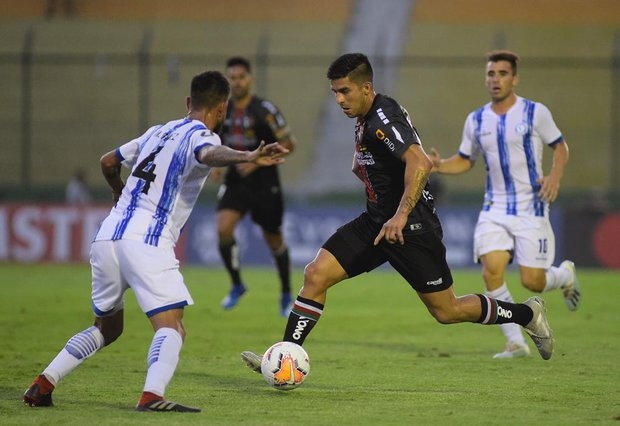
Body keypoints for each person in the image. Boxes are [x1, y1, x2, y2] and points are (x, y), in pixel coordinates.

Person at [240, 53, 555, 374]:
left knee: (447, 310)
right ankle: (284, 358)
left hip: (412, 227)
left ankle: (527, 315)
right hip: (376, 222)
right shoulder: (365, 119)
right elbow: (360, 166)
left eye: (345, 91)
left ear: (366, 88)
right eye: (335, 92)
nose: (339, 99)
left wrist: (401, 215)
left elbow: (420, 162)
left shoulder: (382, 117)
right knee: (315, 274)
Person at [23, 71, 288, 412]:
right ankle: (152, 395)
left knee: (106, 327)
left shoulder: (157, 132)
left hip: (107, 236)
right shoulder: (200, 136)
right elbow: (208, 154)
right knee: (172, 326)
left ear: (189, 102)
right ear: (222, 109)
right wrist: (248, 156)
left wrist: (119, 191)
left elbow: (108, 161)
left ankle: (44, 383)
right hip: (147, 240)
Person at [429, 50, 581, 359]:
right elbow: (466, 159)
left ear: (514, 78)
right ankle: (516, 342)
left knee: (532, 281)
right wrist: (439, 164)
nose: (495, 79)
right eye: (490, 74)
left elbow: (560, 146)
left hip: (531, 206)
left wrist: (554, 176)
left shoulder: (535, 112)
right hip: (495, 208)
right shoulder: (476, 119)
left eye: (502, 73)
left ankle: (565, 275)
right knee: (491, 272)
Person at [213, 56, 297, 317]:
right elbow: (217, 137)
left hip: (265, 182)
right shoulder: (222, 110)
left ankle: (285, 294)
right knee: (223, 228)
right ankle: (237, 284)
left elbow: (289, 144)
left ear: (250, 79)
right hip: (236, 180)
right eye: (232, 78)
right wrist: (216, 162)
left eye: (241, 77)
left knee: (274, 240)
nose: (236, 82)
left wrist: (258, 162)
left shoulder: (265, 110)